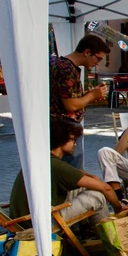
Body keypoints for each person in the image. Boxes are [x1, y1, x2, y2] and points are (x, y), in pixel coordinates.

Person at [10, 118, 124, 227]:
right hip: (40, 224)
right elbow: (106, 188)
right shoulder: (57, 166)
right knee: (98, 196)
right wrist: (118, 209)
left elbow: (74, 173)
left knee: (87, 187)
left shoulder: (44, 160)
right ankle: (106, 235)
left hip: (28, 219)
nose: (75, 144)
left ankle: (97, 230)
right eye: (73, 139)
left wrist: (93, 177)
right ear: (62, 140)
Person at [50, 34, 110, 169]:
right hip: (65, 127)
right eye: (98, 58)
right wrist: (92, 95)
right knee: (71, 173)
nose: (97, 63)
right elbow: (70, 105)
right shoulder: (67, 68)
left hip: (60, 126)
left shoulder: (60, 64)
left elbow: (65, 97)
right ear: (87, 52)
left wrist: (88, 95)